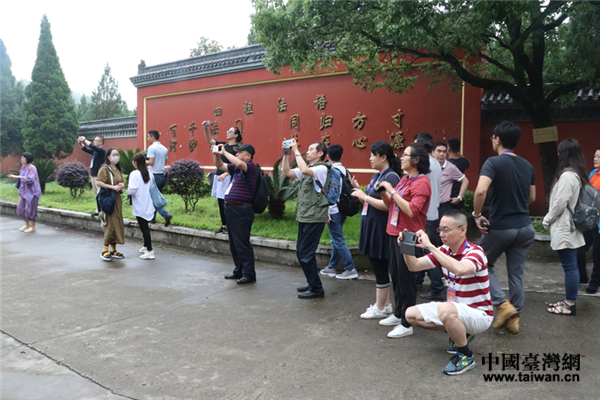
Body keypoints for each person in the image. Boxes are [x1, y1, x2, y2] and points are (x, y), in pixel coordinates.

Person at [402, 209, 493, 375]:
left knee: (446, 308)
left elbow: (460, 269)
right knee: (410, 314)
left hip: (480, 314)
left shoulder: (475, 252)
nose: (442, 234)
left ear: (462, 230)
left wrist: (430, 246)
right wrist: (406, 248)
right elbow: (413, 266)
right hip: (456, 310)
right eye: (440, 230)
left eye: (446, 229)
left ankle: (465, 356)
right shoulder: (444, 251)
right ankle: (460, 333)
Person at [472, 121, 536, 334]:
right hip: (525, 227)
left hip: (501, 227)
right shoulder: (528, 166)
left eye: (492, 137)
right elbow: (532, 197)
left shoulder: (493, 162)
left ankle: (502, 305)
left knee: (481, 265)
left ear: (497, 140)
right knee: (516, 274)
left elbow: (480, 191)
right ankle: (514, 316)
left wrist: (477, 215)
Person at [377, 143, 431, 337]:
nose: (401, 157)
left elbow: (411, 210)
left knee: (407, 280)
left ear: (416, 160)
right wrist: (385, 194)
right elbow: (391, 204)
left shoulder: (422, 182)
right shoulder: (404, 179)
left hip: (410, 236)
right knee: (397, 277)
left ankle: (407, 323)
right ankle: (399, 312)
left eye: (405, 155)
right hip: (394, 232)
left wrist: (391, 191)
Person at [350, 141, 402, 318]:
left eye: (373, 155)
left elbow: (389, 206)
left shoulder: (391, 177)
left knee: (380, 267)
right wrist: (358, 189)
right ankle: (385, 305)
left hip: (381, 228)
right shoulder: (378, 176)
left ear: (383, 157)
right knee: (377, 264)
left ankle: (380, 308)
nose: (370, 158)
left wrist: (364, 196)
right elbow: (370, 199)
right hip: (372, 225)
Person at [543, 139, 588, 315]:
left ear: (565, 154)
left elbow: (560, 203)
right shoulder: (575, 174)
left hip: (564, 227)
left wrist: (547, 220)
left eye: (561, 152)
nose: (558, 154)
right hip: (568, 226)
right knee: (570, 266)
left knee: (570, 267)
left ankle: (569, 304)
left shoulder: (568, 176)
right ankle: (569, 301)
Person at [282, 139, 330, 299]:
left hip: (315, 217)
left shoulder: (321, 168)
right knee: (301, 252)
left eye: (310, 149)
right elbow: (286, 172)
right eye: (307, 149)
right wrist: (286, 154)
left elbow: (304, 171)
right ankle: (312, 283)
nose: (307, 152)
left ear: (320, 153)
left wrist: (296, 150)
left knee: (306, 254)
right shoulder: (308, 168)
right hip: (305, 216)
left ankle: (316, 288)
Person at [214, 143, 259, 284]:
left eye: (240, 152)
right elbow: (221, 166)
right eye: (236, 153)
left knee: (242, 242)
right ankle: (239, 270)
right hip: (231, 209)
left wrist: (226, 153)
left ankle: (249, 274)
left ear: (248, 156)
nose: (237, 155)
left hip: (242, 209)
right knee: (234, 243)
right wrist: (217, 155)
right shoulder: (236, 170)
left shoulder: (251, 167)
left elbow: (239, 163)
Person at [319, 144, 358, 280]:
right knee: (336, 239)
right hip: (343, 209)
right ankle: (331, 267)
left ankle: (350, 267)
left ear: (328, 155)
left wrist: (327, 211)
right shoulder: (345, 170)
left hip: (334, 209)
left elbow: (332, 193)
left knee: (338, 240)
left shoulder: (332, 171)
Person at [413, 132, 445, 301]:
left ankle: (438, 286)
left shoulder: (424, 165)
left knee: (427, 251)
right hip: (433, 213)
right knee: (422, 249)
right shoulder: (436, 164)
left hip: (425, 215)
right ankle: (418, 281)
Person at [202, 121, 242, 234]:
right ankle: (224, 226)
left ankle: (231, 226)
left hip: (229, 178)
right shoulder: (223, 145)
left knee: (229, 202)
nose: (228, 133)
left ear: (236, 135)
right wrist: (205, 129)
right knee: (220, 202)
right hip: (219, 177)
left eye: (230, 131)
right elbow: (210, 141)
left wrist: (227, 173)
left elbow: (238, 163)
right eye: (227, 131)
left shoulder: (238, 149)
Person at [96, 147, 126, 262]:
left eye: (117, 154)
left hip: (117, 199)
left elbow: (121, 181)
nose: (116, 156)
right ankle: (105, 249)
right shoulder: (104, 169)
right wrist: (112, 187)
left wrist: (121, 185)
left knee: (117, 224)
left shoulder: (118, 169)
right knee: (110, 225)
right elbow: (98, 182)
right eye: (114, 154)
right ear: (108, 156)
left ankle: (113, 249)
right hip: (108, 199)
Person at [578, 146, 600, 294]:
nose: (595, 158)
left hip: (599, 223)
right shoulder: (593, 174)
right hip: (590, 220)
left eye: (598, 156)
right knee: (579, 249)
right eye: (595, 156)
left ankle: (595, 282)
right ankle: (582, 277)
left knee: (597, 255)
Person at [127, 153, 156, 260]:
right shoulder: (150, 173)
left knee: (144, 228)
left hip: (140, 204)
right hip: (149, 204)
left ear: (135, 163)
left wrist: (125, 190)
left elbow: (132, 190)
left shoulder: (134, 174)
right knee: (145, 227)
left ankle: (150, 250)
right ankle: (145, 246)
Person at [434, 142, 469, 221]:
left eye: (444, 151)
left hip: (443, 206)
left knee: (444, 230)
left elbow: (465, 181)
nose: (442, 154)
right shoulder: (427, 167)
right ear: (433, 153)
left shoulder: (451, 167)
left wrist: (459, 197)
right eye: (439, 151)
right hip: (429, 206)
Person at [8, 152, 41, 233]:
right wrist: (16, 178)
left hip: (33, 192)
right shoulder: (23, 167)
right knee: (20, 208)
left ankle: (33, 226)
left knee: (31, 210)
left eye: (23, 158)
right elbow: (22, 178)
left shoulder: (32, 168)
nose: (21, 159)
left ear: (27, 159)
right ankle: (27, 224)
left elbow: (30, 179)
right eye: (22, 158)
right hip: (24, 191)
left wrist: (17, 176)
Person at [146, 130, 172, 227]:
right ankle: (152, 218)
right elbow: (163, 163)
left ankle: (165, 214)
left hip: (154, 176)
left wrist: (145, 161)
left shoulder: (151, 148)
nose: (148, 138)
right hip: (162, 175)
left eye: (148, 137)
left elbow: (151, 162)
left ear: (152, 137)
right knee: (156, 197)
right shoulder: (164, 148)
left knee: (152, 198)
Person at [446, 138, 470, 210]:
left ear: (448, 148)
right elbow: (468, 162)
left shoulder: (447, 164)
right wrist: (458, 153)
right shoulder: (463, 161)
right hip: (459, 193)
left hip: (448, 195)